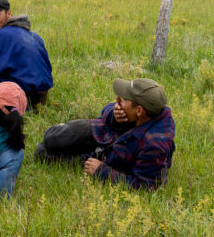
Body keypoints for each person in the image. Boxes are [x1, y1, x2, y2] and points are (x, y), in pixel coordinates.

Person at [34, 78, 175, 190]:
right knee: (52, 137)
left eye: (123, 99)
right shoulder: (149, 109)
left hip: (107, 156)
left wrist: (102, 172)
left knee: (41, 153)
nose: (117, 100)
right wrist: (113, 113)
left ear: (139, 111)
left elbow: (146, 187)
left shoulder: (155, 145)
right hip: (103, 132)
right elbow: (106, 112)